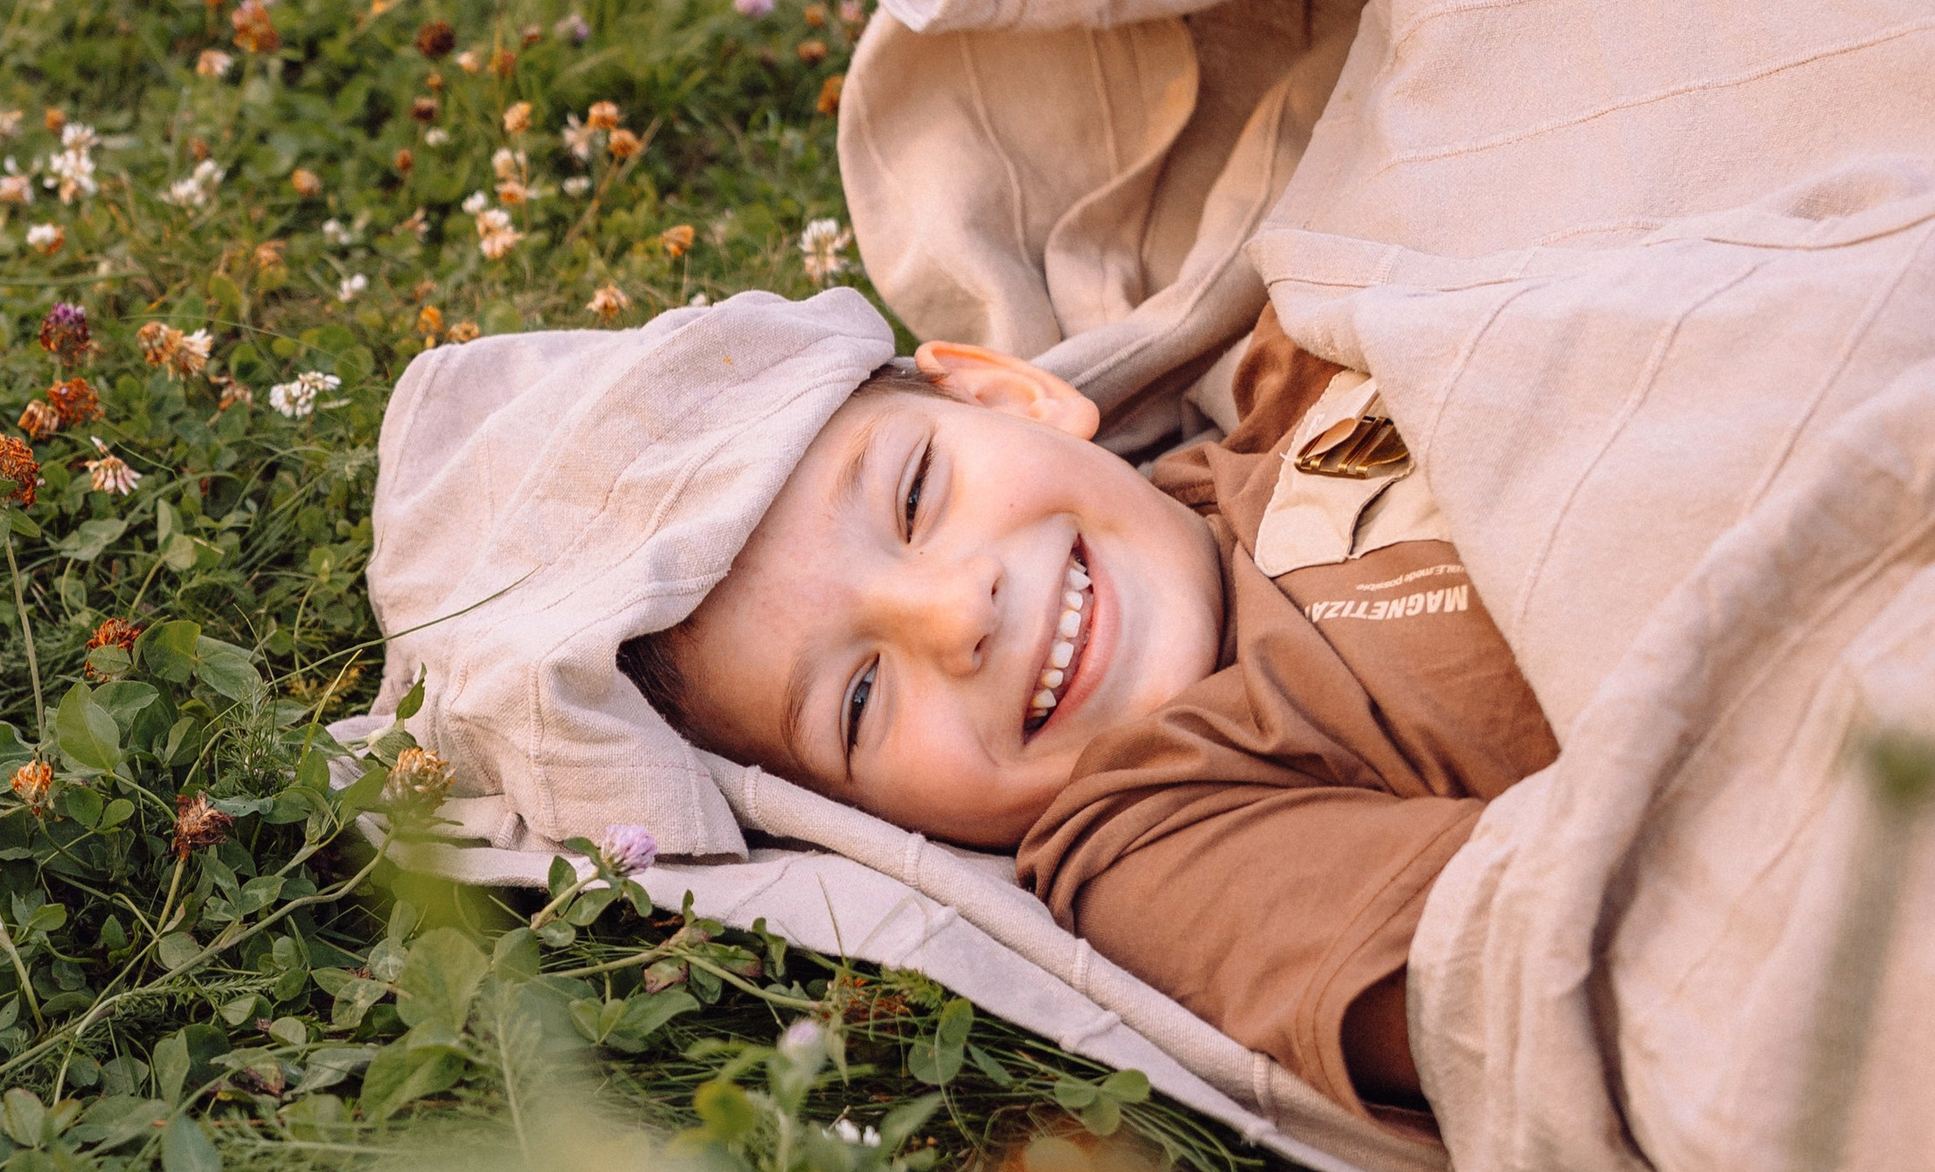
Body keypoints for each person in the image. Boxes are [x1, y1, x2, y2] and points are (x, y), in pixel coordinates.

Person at [616, 308, 1551, 1119]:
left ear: (1011, 397)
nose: (957, 615)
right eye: (859, 700)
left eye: (914, 496)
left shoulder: (1301, 360)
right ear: (864, 825)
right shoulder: (1154, 848)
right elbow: (1584, 966)